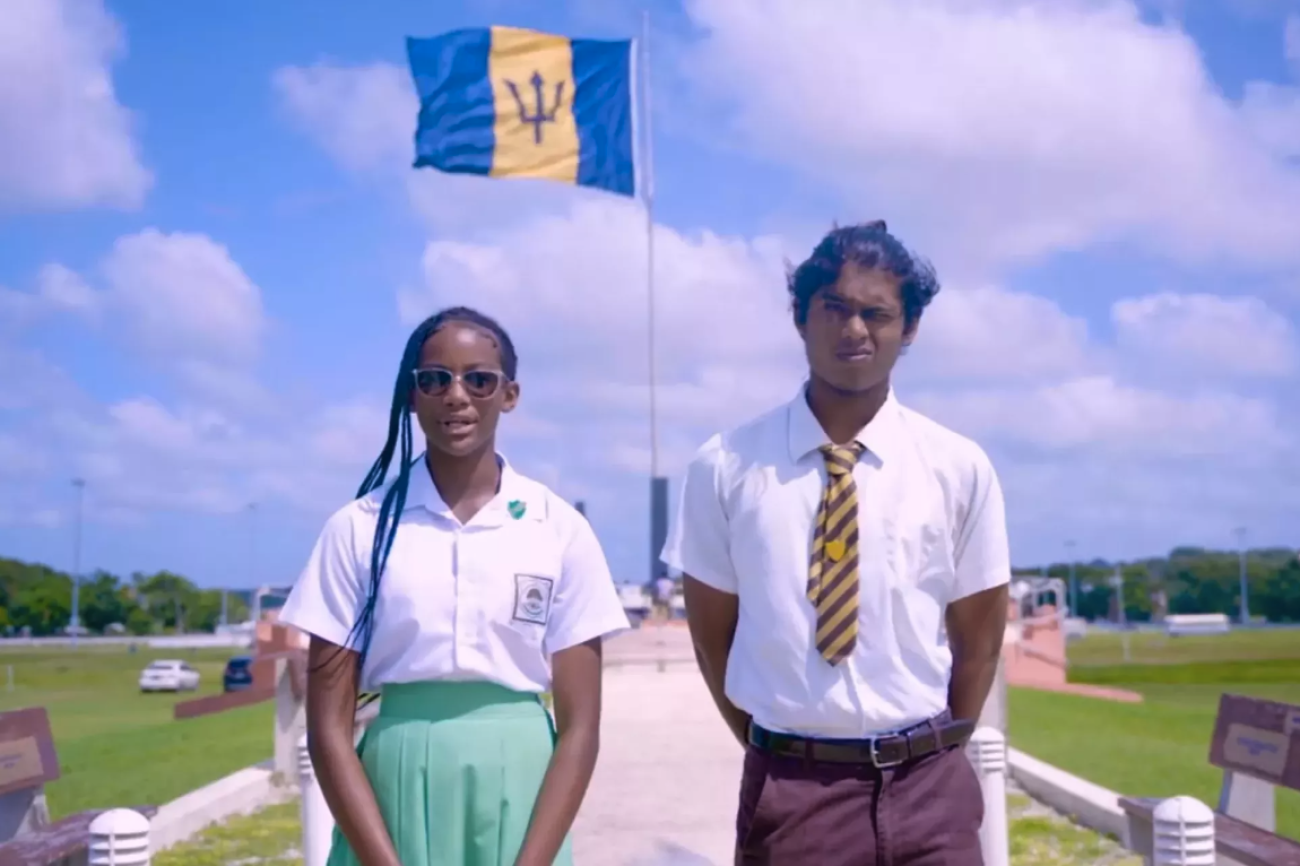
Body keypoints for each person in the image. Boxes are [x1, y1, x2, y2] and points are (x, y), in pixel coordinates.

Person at [662, 221, 1011, 865]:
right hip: (795, 793)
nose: (855, 330)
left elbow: (979, 641)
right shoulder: (726, 466)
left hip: (930, 788)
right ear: (801, 318)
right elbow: (713, 642)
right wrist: (785, 751)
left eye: (877, 314)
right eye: (835, 309)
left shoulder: (958, 467)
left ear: (908, 329)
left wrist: (934, 751)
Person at [278, 306, 629, 866]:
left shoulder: (559, 528)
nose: (456, 395)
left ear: (509, 395)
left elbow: (581, 725)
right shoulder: (358, 528)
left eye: (479, 379)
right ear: (412, 395)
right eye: (434, 379)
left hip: (521, 783)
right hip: (390, 784)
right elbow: (327, 725)